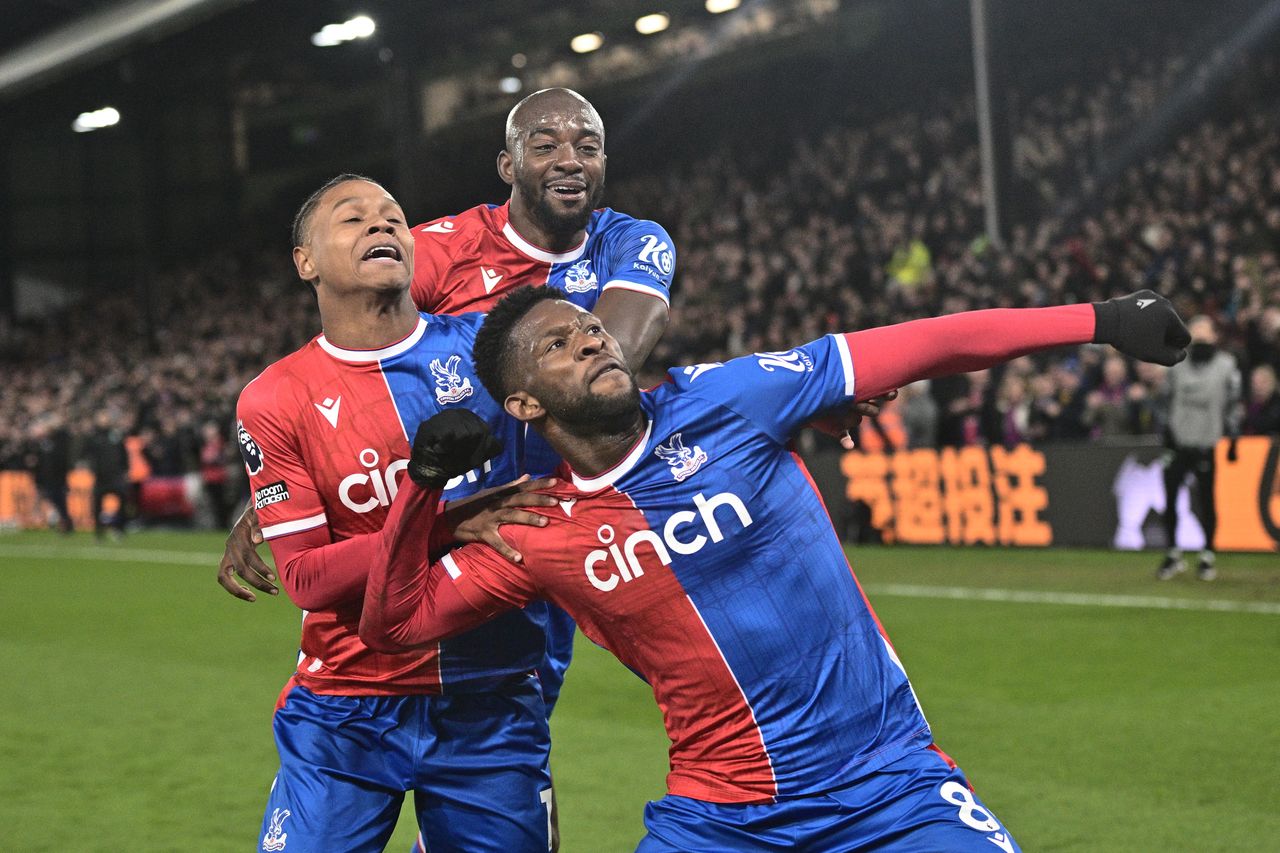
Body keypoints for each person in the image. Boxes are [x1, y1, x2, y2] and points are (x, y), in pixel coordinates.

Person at [360, 285, 1189, 851]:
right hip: (724, 817)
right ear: (524, 405)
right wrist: (423, 496)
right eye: (557, 344)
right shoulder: (537, 527)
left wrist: (1101, 318)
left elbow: (927, 343)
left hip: (885, 780)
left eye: (591, 329)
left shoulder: (733, 401)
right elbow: (393, 623)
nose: (589, 339)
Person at [239, 175, 569, 852]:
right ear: (306, 261)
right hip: (347, 705)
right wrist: (444, 521)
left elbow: (607, 414)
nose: (382, 226)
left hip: (491, 692)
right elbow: (305, 578)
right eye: (352, 218)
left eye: (394, 217)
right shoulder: (274, 398)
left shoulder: (491, 352)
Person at [1157, 315, 1242, 581]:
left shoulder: (1227, 366)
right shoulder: (1176, 364)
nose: (1201, 340)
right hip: (1178, 442)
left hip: (1206, 442)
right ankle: (1173, 552)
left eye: (1206, 335)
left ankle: (1207, 554)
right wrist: (1166, 432)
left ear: (1215, 337)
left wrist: (1233, 438)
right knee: (1170, 500)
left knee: (1207, 500)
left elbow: (1233, 404)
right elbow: (1164, 400)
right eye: (1197, 335)